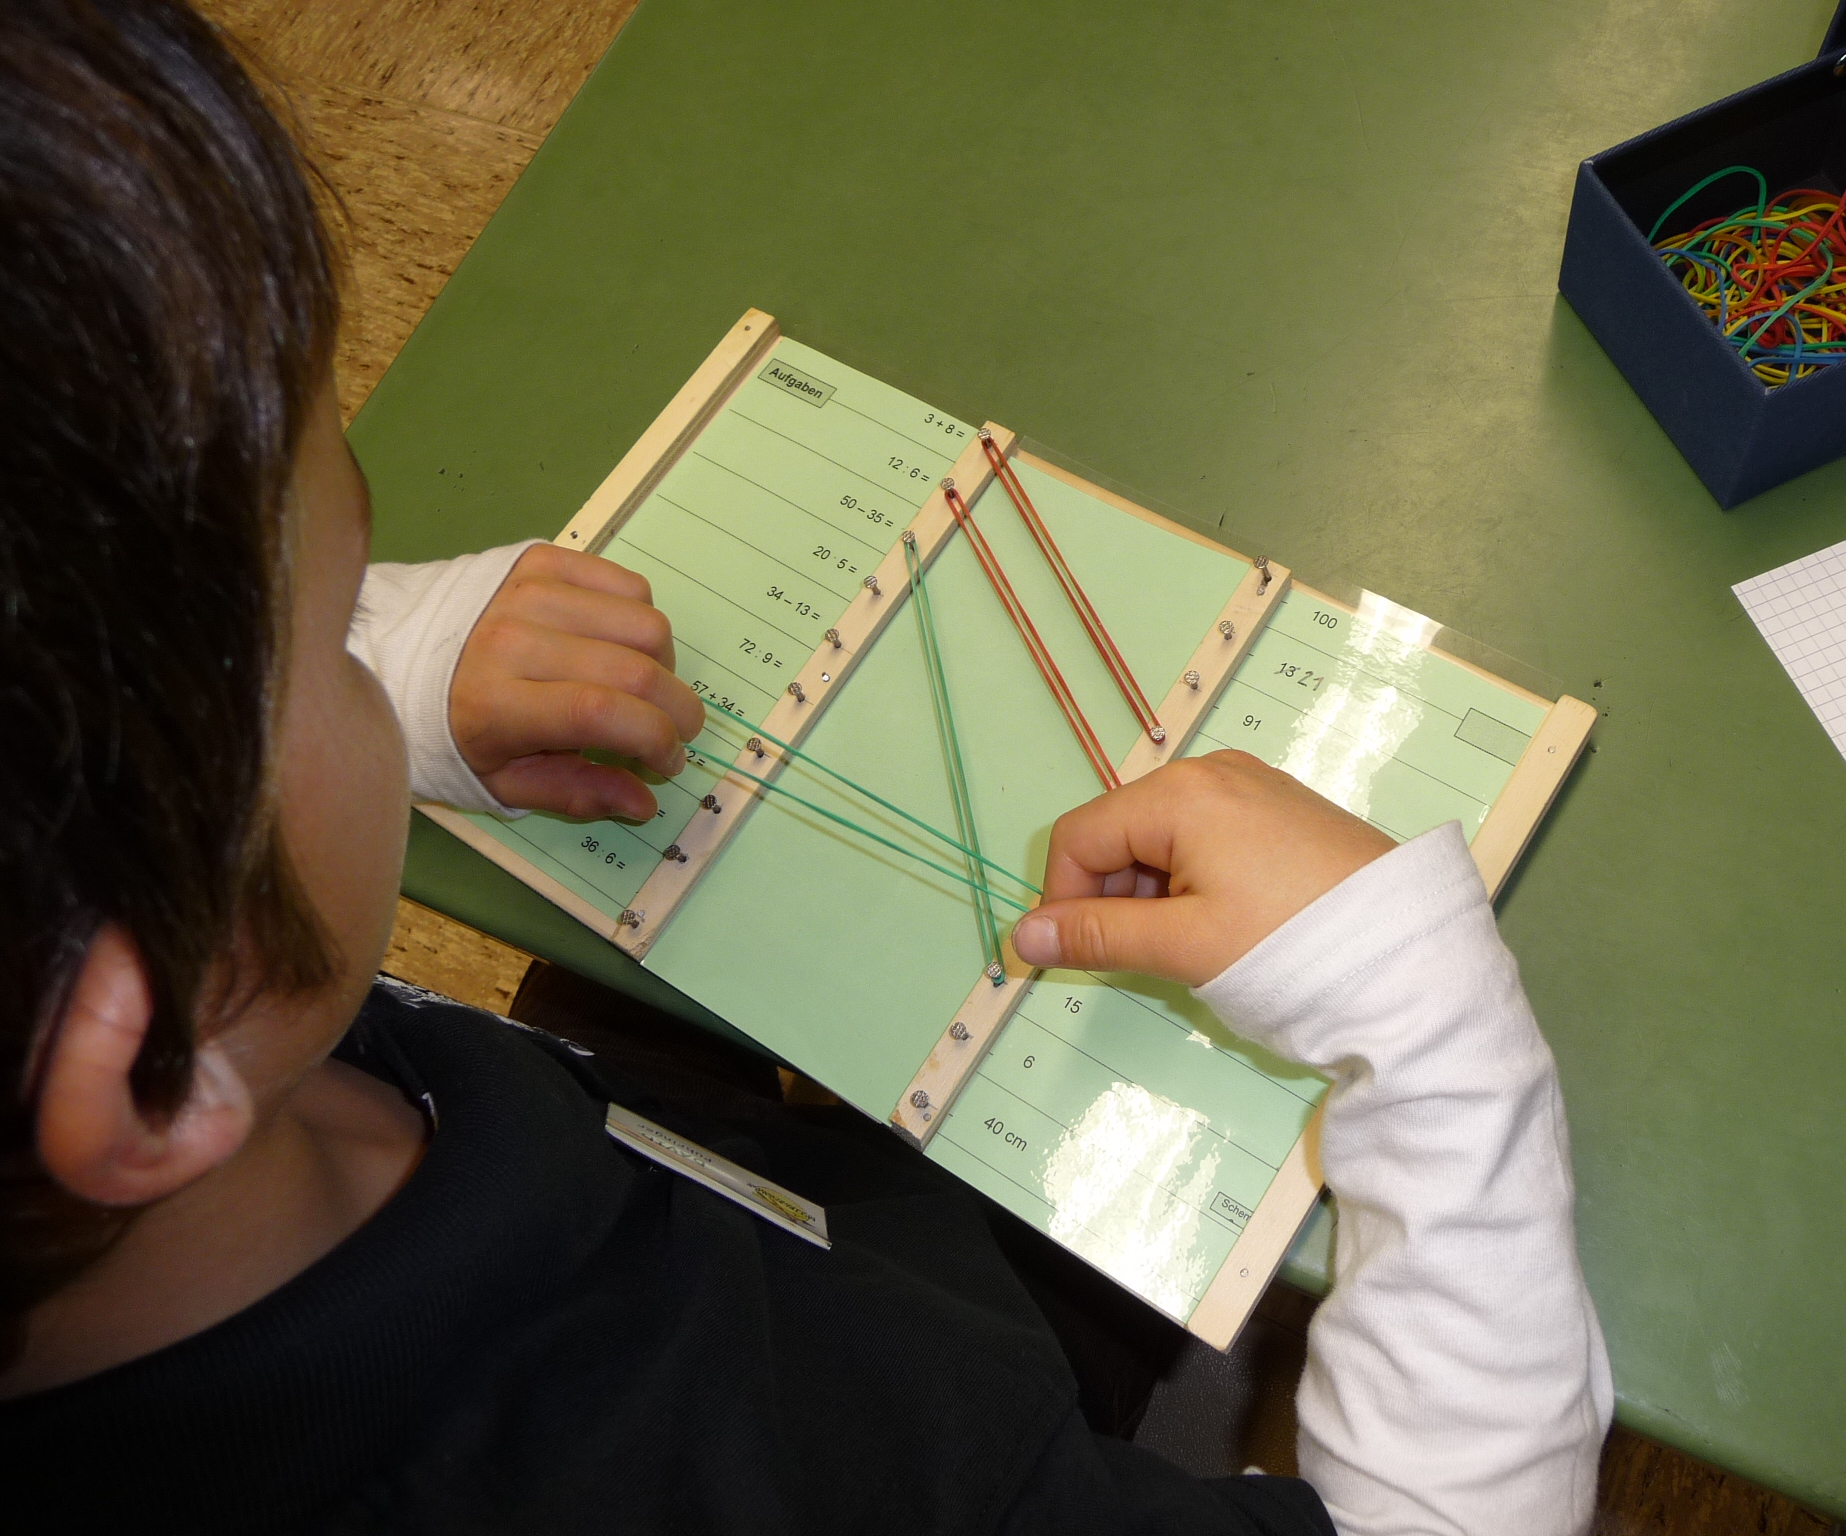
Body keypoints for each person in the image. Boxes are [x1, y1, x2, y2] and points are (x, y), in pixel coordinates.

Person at [0, 3, 1611, 1532]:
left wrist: (411, 668)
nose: (371, 623)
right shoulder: (813, 1480)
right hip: (929, 1362)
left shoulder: (130, 1084)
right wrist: (1426, 1020)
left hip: (725, 1194)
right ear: (145, 1057)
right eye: (343, 621)